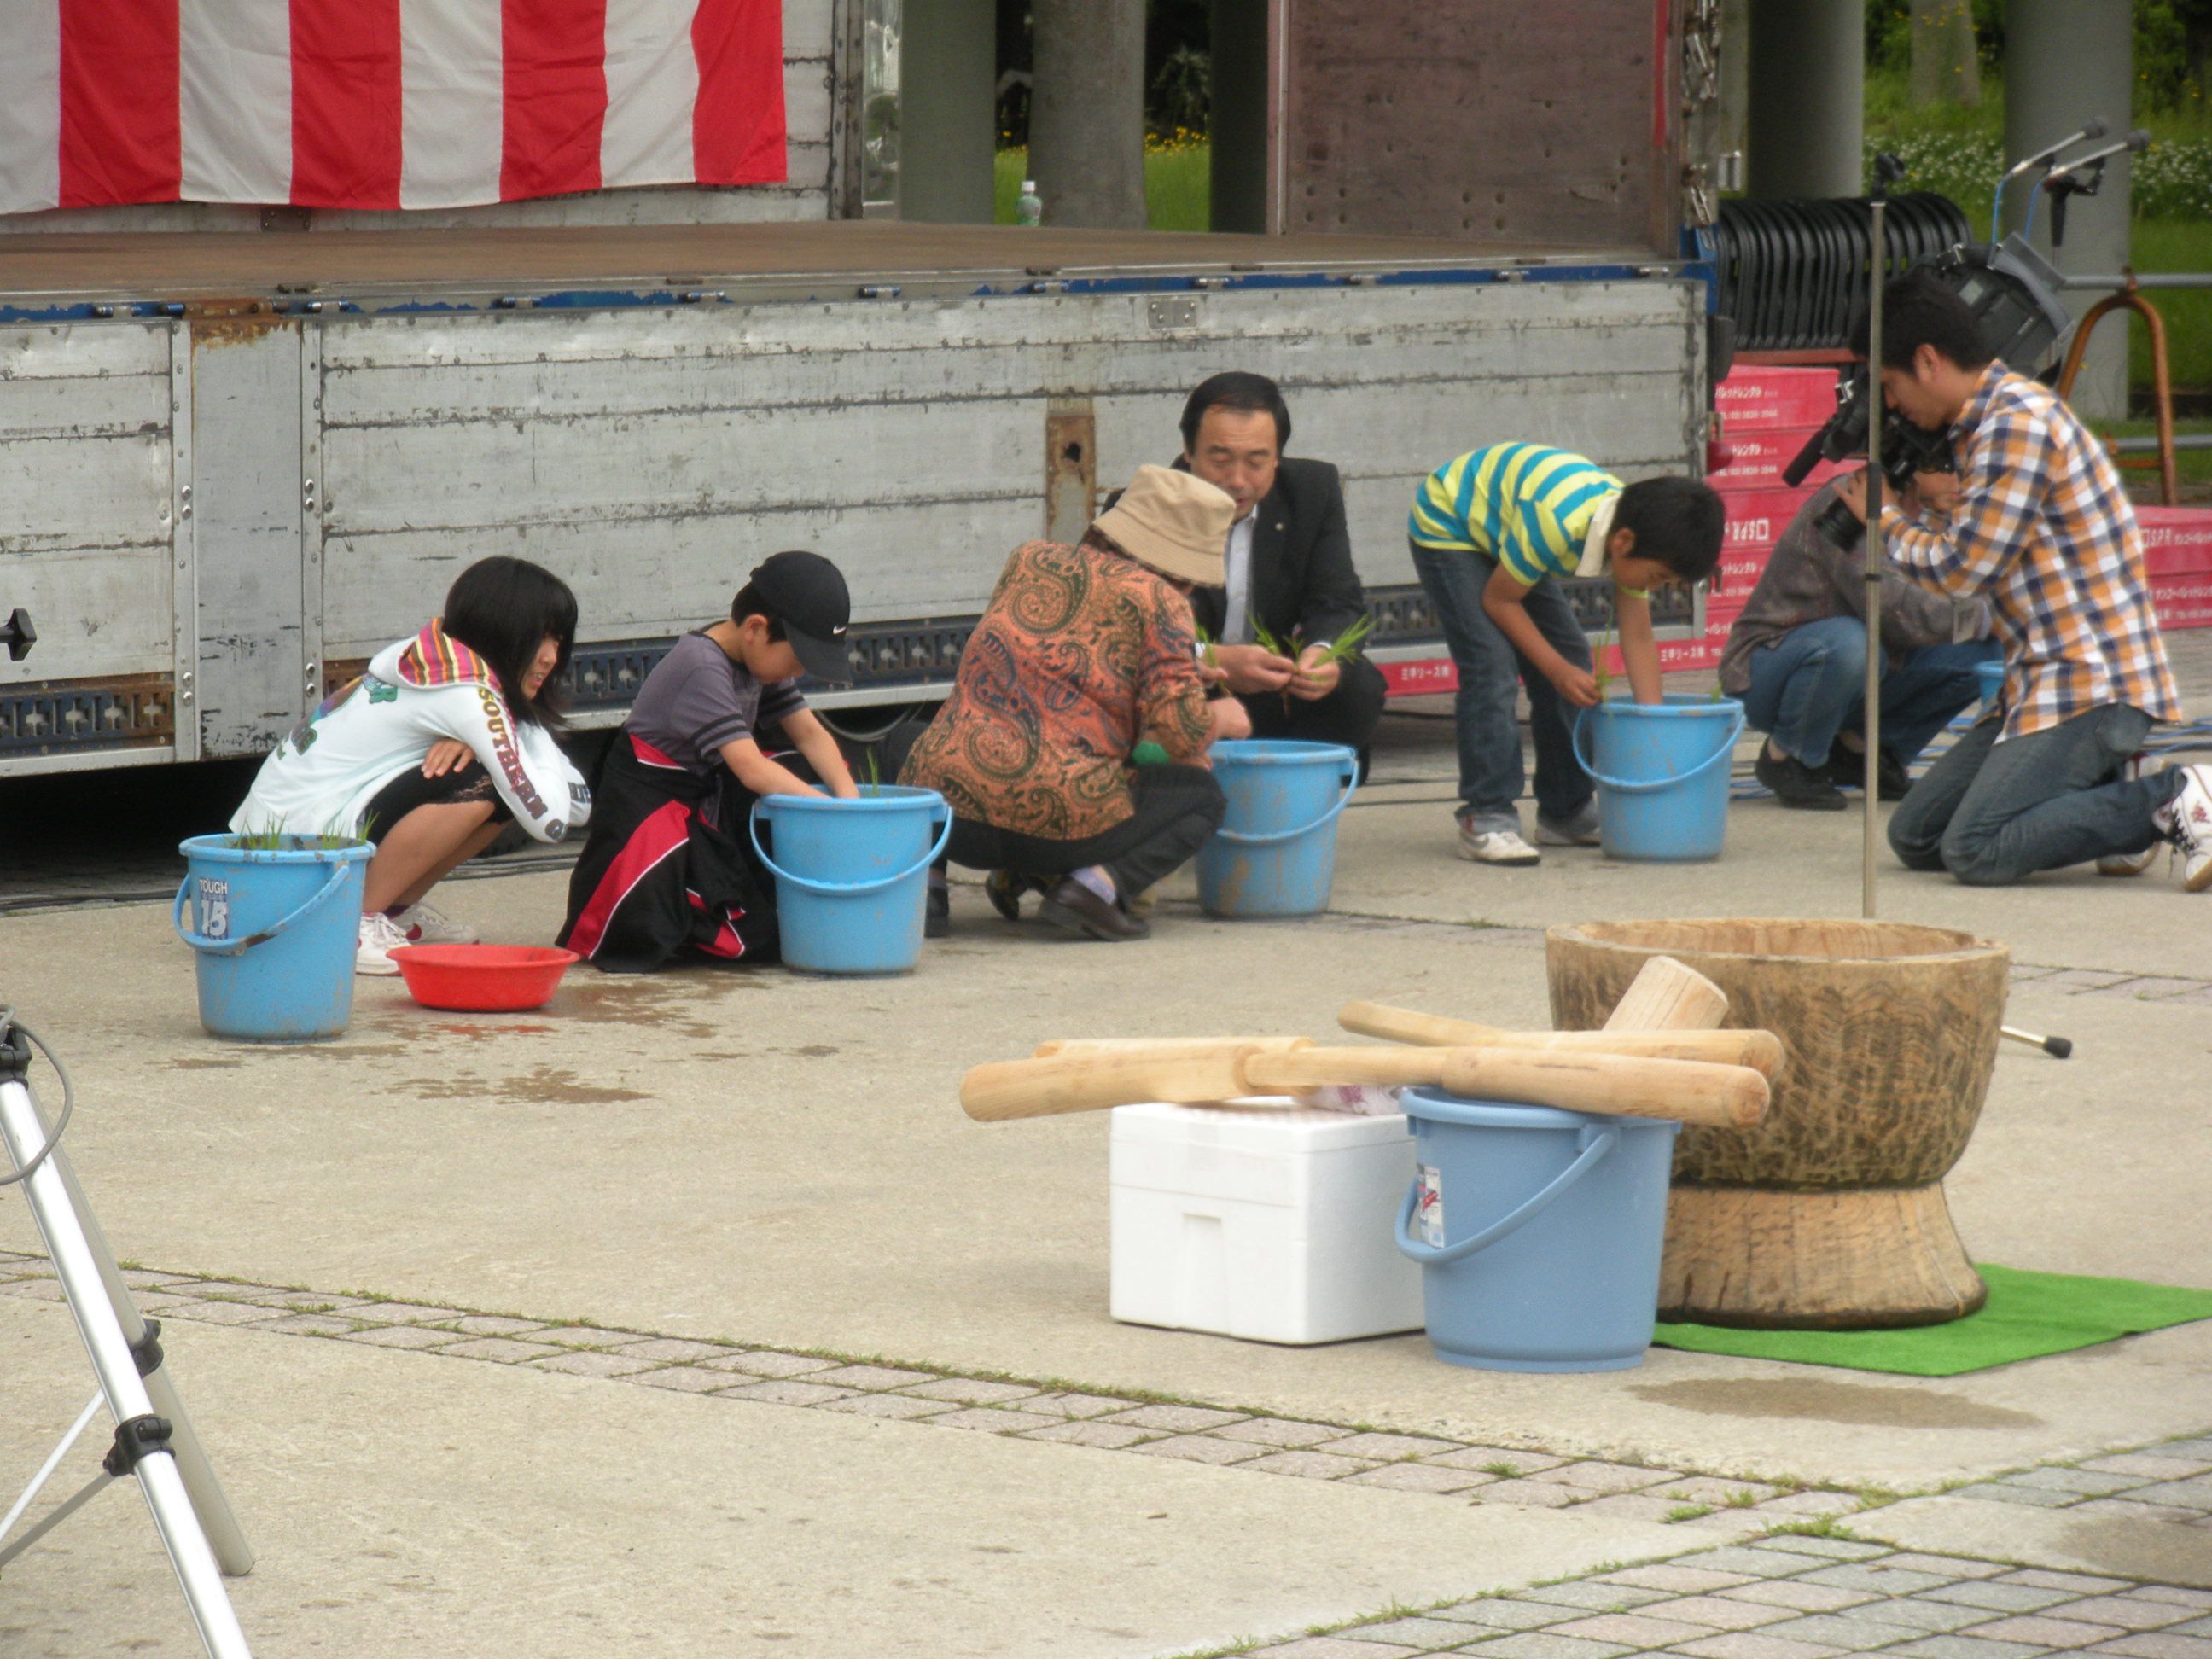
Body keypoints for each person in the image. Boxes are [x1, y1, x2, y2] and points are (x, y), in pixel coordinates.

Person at [1834, 271, 2209, 890]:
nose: (1892, 405)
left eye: (1891, 385)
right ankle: (2112, 785)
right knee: (1915, 836)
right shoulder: (1980, 427)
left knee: (1976, 850)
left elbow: (1964, 570)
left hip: (2089, 682)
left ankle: (2173, 796)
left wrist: (1884, 524)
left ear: (1928, 360)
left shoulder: (2015, 424)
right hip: (2037, 685)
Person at [898, 465, 1251, 941]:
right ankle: (1092, 888)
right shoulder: (1163, 601)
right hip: (1056, 828)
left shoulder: (1028, 560)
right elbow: (1179, 733)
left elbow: (1056, 666)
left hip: (954, 823)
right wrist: (1222, 718)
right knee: (1201, 797)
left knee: (915, 744)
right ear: (1183, 570)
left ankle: (929, 888)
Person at [227, 556, 591, 975]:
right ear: (502, 631)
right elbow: (552, 822)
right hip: (287, 861)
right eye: (540, 639)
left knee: (498, 784)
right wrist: (518, 734)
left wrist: (513, 731)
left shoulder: (434, 661)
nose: (551, 657)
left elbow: (580, 802)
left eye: (559, 641)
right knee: (489, 786)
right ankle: (353, 923)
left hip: (274, 848)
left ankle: (391, 912)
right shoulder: (468, 697)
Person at [1407, 445, 1726, 864]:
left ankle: (1565, 810)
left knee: (1573, 659)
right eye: (1658, 577)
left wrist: (1654, 726)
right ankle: (1485, 815)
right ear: (1623, 542)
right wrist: (1555, 671)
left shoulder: (1635, 532)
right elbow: (1500, 601)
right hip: (1451, 524)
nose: (1657, 587)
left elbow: (1639, 635)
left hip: (1507, 529)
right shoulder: (1557, 523)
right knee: (1492, 667)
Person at [559, 552, 860, 971]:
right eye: (796, 660)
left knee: (795, 766)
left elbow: (810, 734)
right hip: (652, 815)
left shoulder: (758, 662)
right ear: (756, 628)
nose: (796, 672)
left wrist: (852, 805)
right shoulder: (701, 665)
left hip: (703, 802)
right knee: (743, 938)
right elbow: (751, 768)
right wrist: (829, 813)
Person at [1720, 475, 1998, 811]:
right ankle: (1787, 756)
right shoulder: (1849, 499)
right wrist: (1987, 616)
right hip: (1775, 670)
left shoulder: (1942, 512)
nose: (1960, 480)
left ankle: (1863, 750)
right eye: (1948, 469)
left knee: (1985, 654)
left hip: (1869, 666)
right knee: (1854, 645)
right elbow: (1892, 607)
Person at [1171, 372, 1386, 763]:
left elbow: (1338, 601)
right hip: (1190, 685)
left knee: (1359, 685)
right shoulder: (1145, 505)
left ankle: (1312, 791)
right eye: (1219, 460)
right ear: (1188, 452)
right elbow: (1126, 636)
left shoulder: (1311, 492)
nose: (1237, 480)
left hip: (1278, 682)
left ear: (1277, 458)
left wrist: (1322, 655)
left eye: (1256, 462)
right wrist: (1211, 658)